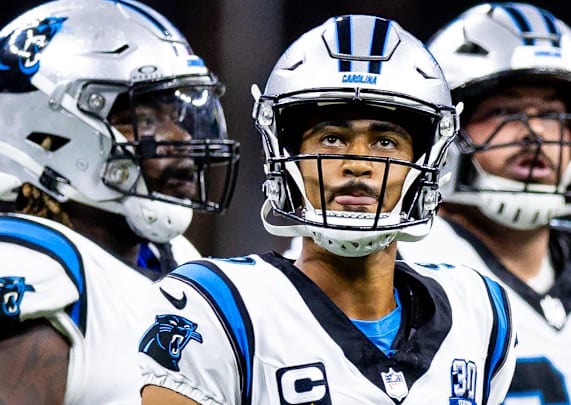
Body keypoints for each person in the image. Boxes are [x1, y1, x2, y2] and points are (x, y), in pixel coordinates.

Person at [138, 14, 516, 405]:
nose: (358, 162)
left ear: (426, 162)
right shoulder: (217, 306)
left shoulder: (480, 310)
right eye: (332, 138)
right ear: (287, 156)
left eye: (385, 142)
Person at [395, 3, 571, 404]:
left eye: (554, 114)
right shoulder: (397, 260)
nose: (536, 133)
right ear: (441, 127)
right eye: (504, 111)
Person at [0, 0, 239, 403]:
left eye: (177, 114)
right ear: (48, 129)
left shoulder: (175, 257)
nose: (180, 137)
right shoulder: (33, 266)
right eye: (145, 119)